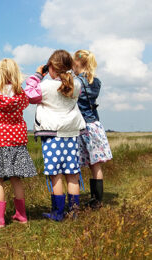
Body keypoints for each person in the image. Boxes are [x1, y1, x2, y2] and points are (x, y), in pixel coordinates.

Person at [25, 50, 86, 221]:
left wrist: (38, 75)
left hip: (52, 136)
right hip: (71, 134)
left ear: (50, 66)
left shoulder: (44, 87)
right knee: (72, 173)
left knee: (56, 174)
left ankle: (58, 213)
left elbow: (28, 95)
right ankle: (74, 212)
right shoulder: (77, 85)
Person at [0, 58, 37, 228]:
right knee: (16, 178)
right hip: (16, 140)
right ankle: (21, 214)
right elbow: (25, 104)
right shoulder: (20, 95)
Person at [73, 50, 112, 209]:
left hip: (81, 126)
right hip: (95, 125)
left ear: (76, 63)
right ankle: (97, 200)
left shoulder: (76, 82)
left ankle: (74, 199)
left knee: (75, 165)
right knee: (95, 165)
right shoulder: (97, 82)